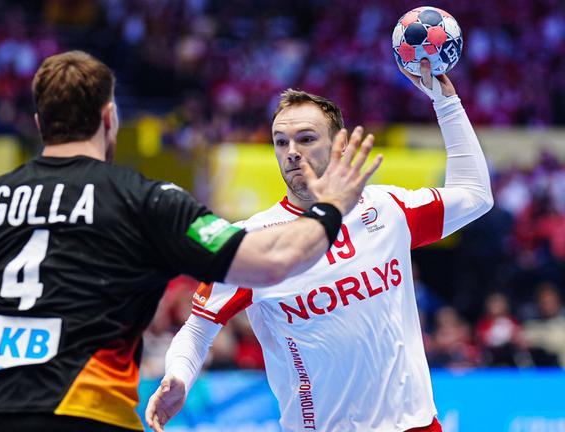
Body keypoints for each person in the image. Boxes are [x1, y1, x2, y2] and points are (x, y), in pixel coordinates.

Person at [0, 51, 381, 432]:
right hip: (81, 412)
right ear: (109, 118)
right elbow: (273, 259)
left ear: (41, 120)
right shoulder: (146, 200)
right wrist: (332, 202)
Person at [146, 59, 493, 432]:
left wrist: (446, 103)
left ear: (339, 143)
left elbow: (475, 195)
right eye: (281, 142)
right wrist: (178, 376)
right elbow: (199, 327)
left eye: (306, 138)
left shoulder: (386, 209)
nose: (292, 151)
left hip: (416, 426)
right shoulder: (253, 239)